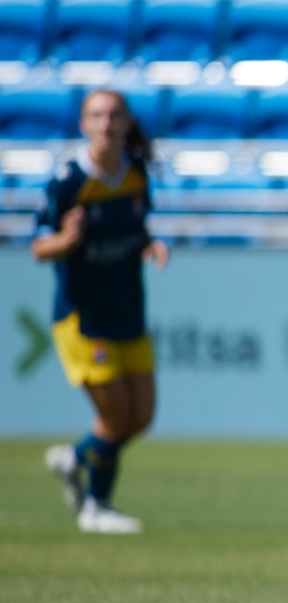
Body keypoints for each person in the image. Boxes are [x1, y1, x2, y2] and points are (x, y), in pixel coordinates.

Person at [33, 89, 168, 534]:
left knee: (140, 417)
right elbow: (39, 246)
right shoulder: (69, 181)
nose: (105, 124)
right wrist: (65, 241)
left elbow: (136, 228)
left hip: (128, 312)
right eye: (96, 116)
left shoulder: (135, 174)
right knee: (114, 417)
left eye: (113, 116)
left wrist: (151, 245)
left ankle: (74, 458)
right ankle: (96, 506)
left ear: (126, 123)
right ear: (83, 124)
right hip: (83, 319)